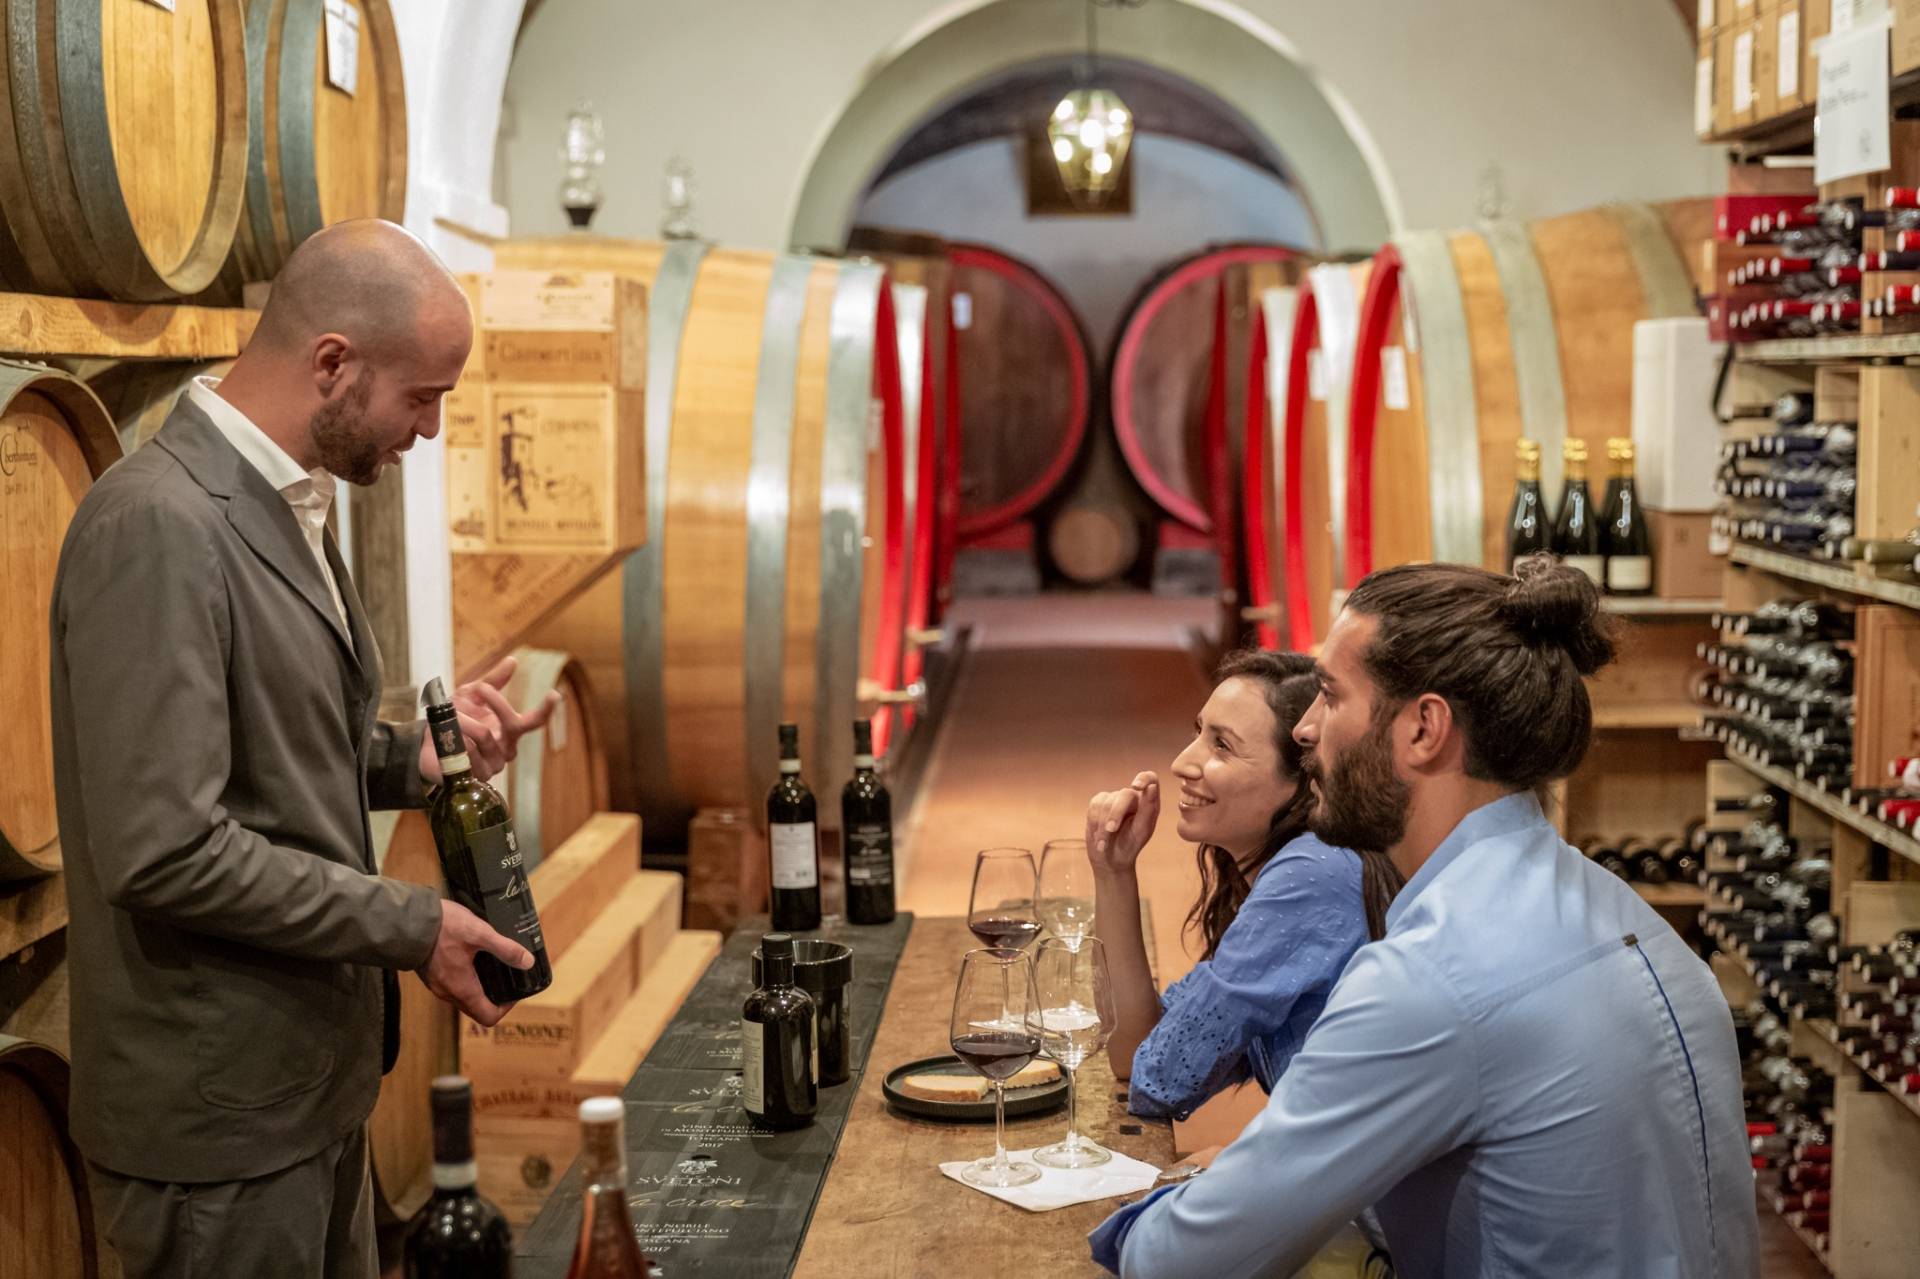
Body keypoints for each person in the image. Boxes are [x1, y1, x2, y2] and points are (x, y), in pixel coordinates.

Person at [49, 220, 558, 1279]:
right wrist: (412, 924)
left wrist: (412, 755)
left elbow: (269, 742)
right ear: (333, 363)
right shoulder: (158, 525)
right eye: (421, 397)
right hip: (215, 1124)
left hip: (300, 1088)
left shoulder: (290, 505)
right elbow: (165, 845)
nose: (428, 429)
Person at [1091, 557, 1760, 1278]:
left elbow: (1181, 1261)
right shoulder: (1641, 923)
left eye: (1330, 696)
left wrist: (1140, 1219)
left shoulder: (1429, 978)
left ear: (1423, 729)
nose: (1308, 730)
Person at [1085, 650, 1401, 1121]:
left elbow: (1160, 1077)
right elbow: (1136, 1048)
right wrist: (1113, 870)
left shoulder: (1311, 875)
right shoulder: (1294, 866)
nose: (1181, 763)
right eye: (1199, 733)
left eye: (1222, 747)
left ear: (1300, 781)